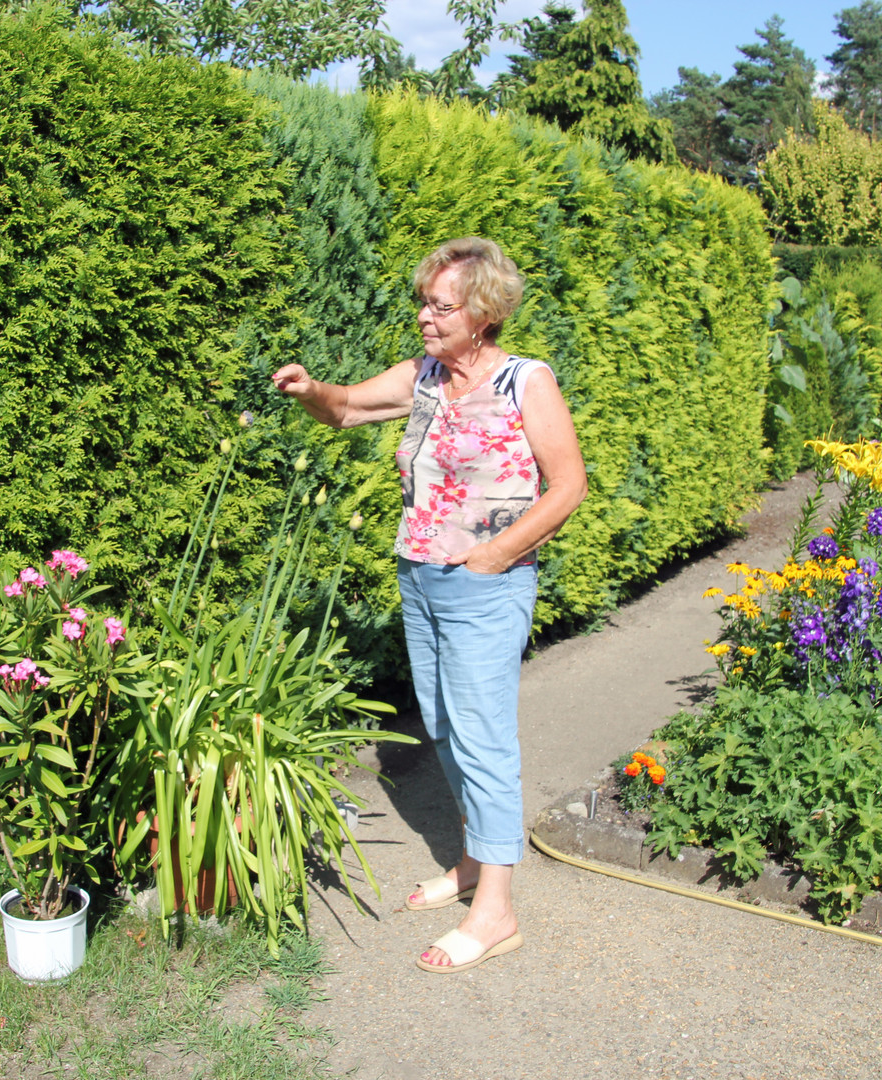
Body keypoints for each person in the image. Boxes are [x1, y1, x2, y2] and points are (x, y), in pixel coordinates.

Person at [273, 236, 586, 973]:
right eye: (424, 302)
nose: (424, 316)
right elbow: (346, 409)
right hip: (419, 576)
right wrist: (312, 390)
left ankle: (497, 911)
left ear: (483, 313)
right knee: (444, 726)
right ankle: (476, 861)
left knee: (483, 738)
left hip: (486, 582)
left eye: (441, 306)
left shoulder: (524, 382)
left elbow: (568, 484)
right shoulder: (423, 378)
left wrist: (497, 553)